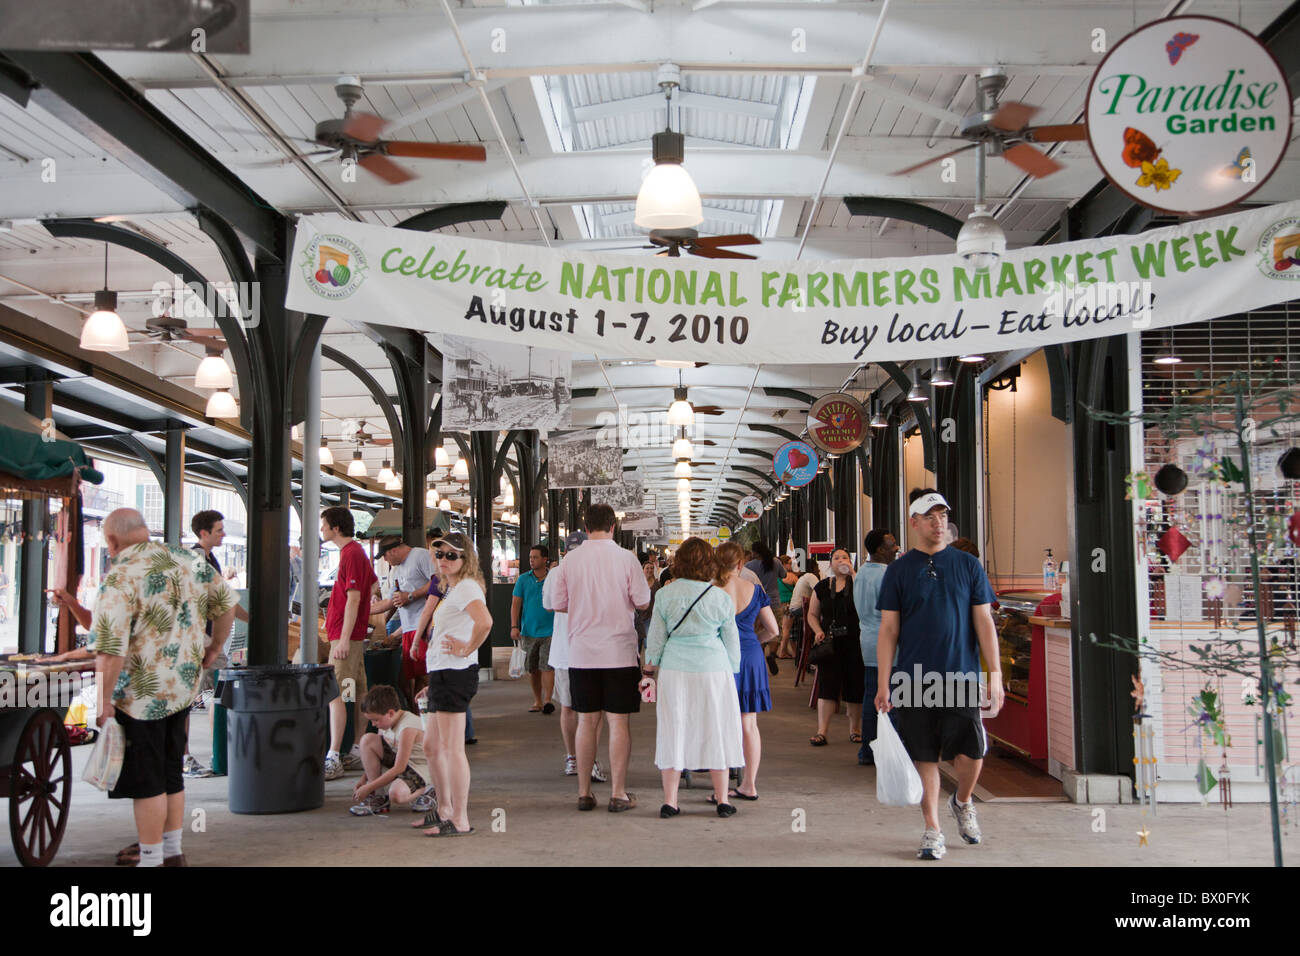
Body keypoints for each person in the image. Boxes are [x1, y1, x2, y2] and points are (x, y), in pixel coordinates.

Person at [90, 508, 236, 867]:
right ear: (145, 530)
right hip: (183, 687)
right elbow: (228, 605)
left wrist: (103, 701)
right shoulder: (186, 559)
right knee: (171, 773)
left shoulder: (121, 575)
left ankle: (151, 858)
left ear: (111, 541)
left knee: (148, 781)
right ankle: (173, 852)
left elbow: (110, 650)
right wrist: (214, 647)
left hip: (139, 696)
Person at [875, 489, 1003, 861]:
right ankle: (932, 830)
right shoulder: (899, 571)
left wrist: (993, 672)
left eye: (943, 515)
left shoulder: (967, 566)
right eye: (929, 516)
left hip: (961, 676)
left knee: (971, 753)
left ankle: (962, 802)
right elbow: (889, 630)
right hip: (914, 679)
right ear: (914, 522)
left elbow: (984, 620)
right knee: (925, 756)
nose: (938, 522)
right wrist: (884, 682)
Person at [546, 503, 651, 813]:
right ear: (613, 527)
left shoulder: (570, 561)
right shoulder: (627, 559)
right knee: (618, 723)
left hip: (581, 652)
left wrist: (583, 608)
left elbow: (556, 603)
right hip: (619, 652)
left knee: (586, 722)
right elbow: (643, 601)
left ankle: (584, 792)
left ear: (585, 527)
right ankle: (618, 794)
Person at [645, 537, 743, 818]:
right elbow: (731, 641)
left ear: (680, 562)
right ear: (709, 563)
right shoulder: (720, 597)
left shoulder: (665, 595)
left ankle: (670, 801)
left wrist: (649, 670)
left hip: (676, 669)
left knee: (674, 728)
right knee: (717, 728)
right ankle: (722, 799)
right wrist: (732, 671)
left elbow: (656, 639)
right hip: (714, 669)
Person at [419, 531, 491, 837]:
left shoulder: (466, 588)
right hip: (442, 673)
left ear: (465, 559)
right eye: (440, 554)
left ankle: (459, 818)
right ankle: (445, 807)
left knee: (451, 748)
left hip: (454, 673)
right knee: (432, 746)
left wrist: (466, 647)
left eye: (452, 555)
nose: (444, 560)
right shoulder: (453, 588)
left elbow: (485, 622)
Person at [186, 510, 249, 776]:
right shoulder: (197, 559)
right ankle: (184, 757)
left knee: (221, 690)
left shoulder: (211, 559)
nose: (224, 534)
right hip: (197, 640)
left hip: (211, 639)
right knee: (187, 700)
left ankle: (220, 748)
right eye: (219, 530)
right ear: (204, 533)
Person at [716, 542, 778, 801]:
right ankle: (749, 784)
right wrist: (754, 640)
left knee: (719, 722)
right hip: (751, 656)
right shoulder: (754, 589)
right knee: (748, 723)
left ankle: (720, 788)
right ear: (741, 564)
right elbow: (773, 630)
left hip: (719, 657)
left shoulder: (712, 590)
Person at [543, 532, 607, 782]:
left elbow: (548, 605)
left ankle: (573, 758)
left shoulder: (556, 573)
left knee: (569, 707)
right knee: (593, 710)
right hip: (592, 650)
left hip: (565, 651)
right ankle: (587, 760)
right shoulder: (597, 571)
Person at [320, 506, 377, 781]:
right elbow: (373, 586)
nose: (321, 529)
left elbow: (354, 597)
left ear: (336, 527)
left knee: (337, 694)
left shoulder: (351, 553)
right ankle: (354, 749)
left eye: (324, 524)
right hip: (352, 636)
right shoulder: (355, 553)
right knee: (355, 691)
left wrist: (343, 638)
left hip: (347, 638)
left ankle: (334, 755)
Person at [370, 534, 438, 716]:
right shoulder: (397, 570)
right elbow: (391, 601)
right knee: (405, 681)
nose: (385, 560)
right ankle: (419, 716)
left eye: (385, 556)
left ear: (393, 551)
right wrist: (364, 612)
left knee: (423, 676)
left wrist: (411, 595)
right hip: (408, 628)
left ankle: (427, 719)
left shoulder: (420, 556)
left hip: (424, 626)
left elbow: (437, 581)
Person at [806, 548, 864, 746]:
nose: (841, 561)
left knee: (855, 686)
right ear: (830, 564)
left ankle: (855, 730)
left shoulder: (857, 582)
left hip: (854, 641)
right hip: (830, 643)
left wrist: (853, 574)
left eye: (845, 558)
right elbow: (812, 614)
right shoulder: (822, 587)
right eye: (837, 558)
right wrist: (817, 631)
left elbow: (865, 600)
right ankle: (822, 731)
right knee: (827, 685)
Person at [349, 685, 433, 816]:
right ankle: (379, 797)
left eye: (375, 720)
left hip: (419, 768)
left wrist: (369, 787)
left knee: (396, 795)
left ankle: (429, 790)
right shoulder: (385, 722)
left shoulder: (407, 728)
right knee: (367, 740)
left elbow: (399, 767)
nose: (373, 724)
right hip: (402, 762)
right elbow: (382, 750)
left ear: (390, 713)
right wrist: (364, 779)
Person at [854, 529, 898, 765]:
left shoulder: (861, 573)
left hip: (868, 642)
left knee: (871, 696)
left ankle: (867, 750)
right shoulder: (888, 576)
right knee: (892, 700)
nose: (897, 547)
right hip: (888, 645)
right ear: (880, 549)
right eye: (892, 544)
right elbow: (894, 613)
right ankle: (887, 751)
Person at [511, 544, 555, 714]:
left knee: (547, 666)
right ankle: (537, 700)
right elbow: (516, 604)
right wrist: (514, 626)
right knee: (533, 668)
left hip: (551, 630)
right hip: (529, 631)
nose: (531, 560)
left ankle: (548, 700)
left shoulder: (553, 578)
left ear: (545, 559)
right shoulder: (523, 579)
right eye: (530, 557)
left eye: (535, 557)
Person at [780, 561, 820, 660]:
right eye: (817, 567)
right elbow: (820, 590)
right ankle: (816, 646)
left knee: (787, 630)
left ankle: (797, 653)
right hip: (799, 608)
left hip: (791, 607)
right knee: (818, 617)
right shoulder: (811, 576)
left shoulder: (802, 577)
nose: (819, 569)